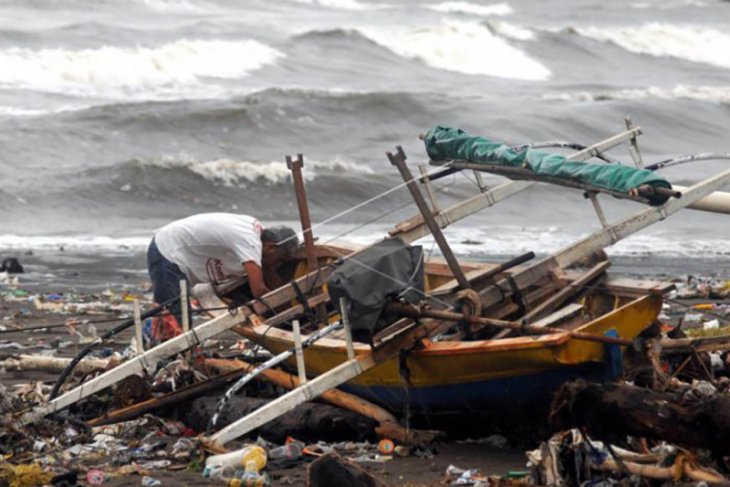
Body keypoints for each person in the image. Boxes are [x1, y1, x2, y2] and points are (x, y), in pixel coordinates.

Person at [147, 213, 299, 326]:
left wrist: (290, 300)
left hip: (178, 254)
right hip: (168, 251)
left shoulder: (259, 238)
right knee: (174, 318)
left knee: (179, 315)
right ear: (271, 247)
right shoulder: (250, 242)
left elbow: (267, 269)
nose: (276, 265)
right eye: (279, 260)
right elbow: (258, 291)